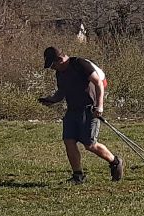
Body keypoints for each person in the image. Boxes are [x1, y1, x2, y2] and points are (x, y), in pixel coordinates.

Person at [38, 46, 122, 184]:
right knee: (69, 141)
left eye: (53, 65)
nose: (52, 68)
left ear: (60, 59)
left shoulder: (80, 64)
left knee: (90, 144)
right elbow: (62, 92)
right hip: (72, 110)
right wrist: (51, 100)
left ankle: (115, 162)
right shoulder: (60, 73)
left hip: (89, 110)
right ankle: (78, 176)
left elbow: (98, 83)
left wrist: (99, 106)